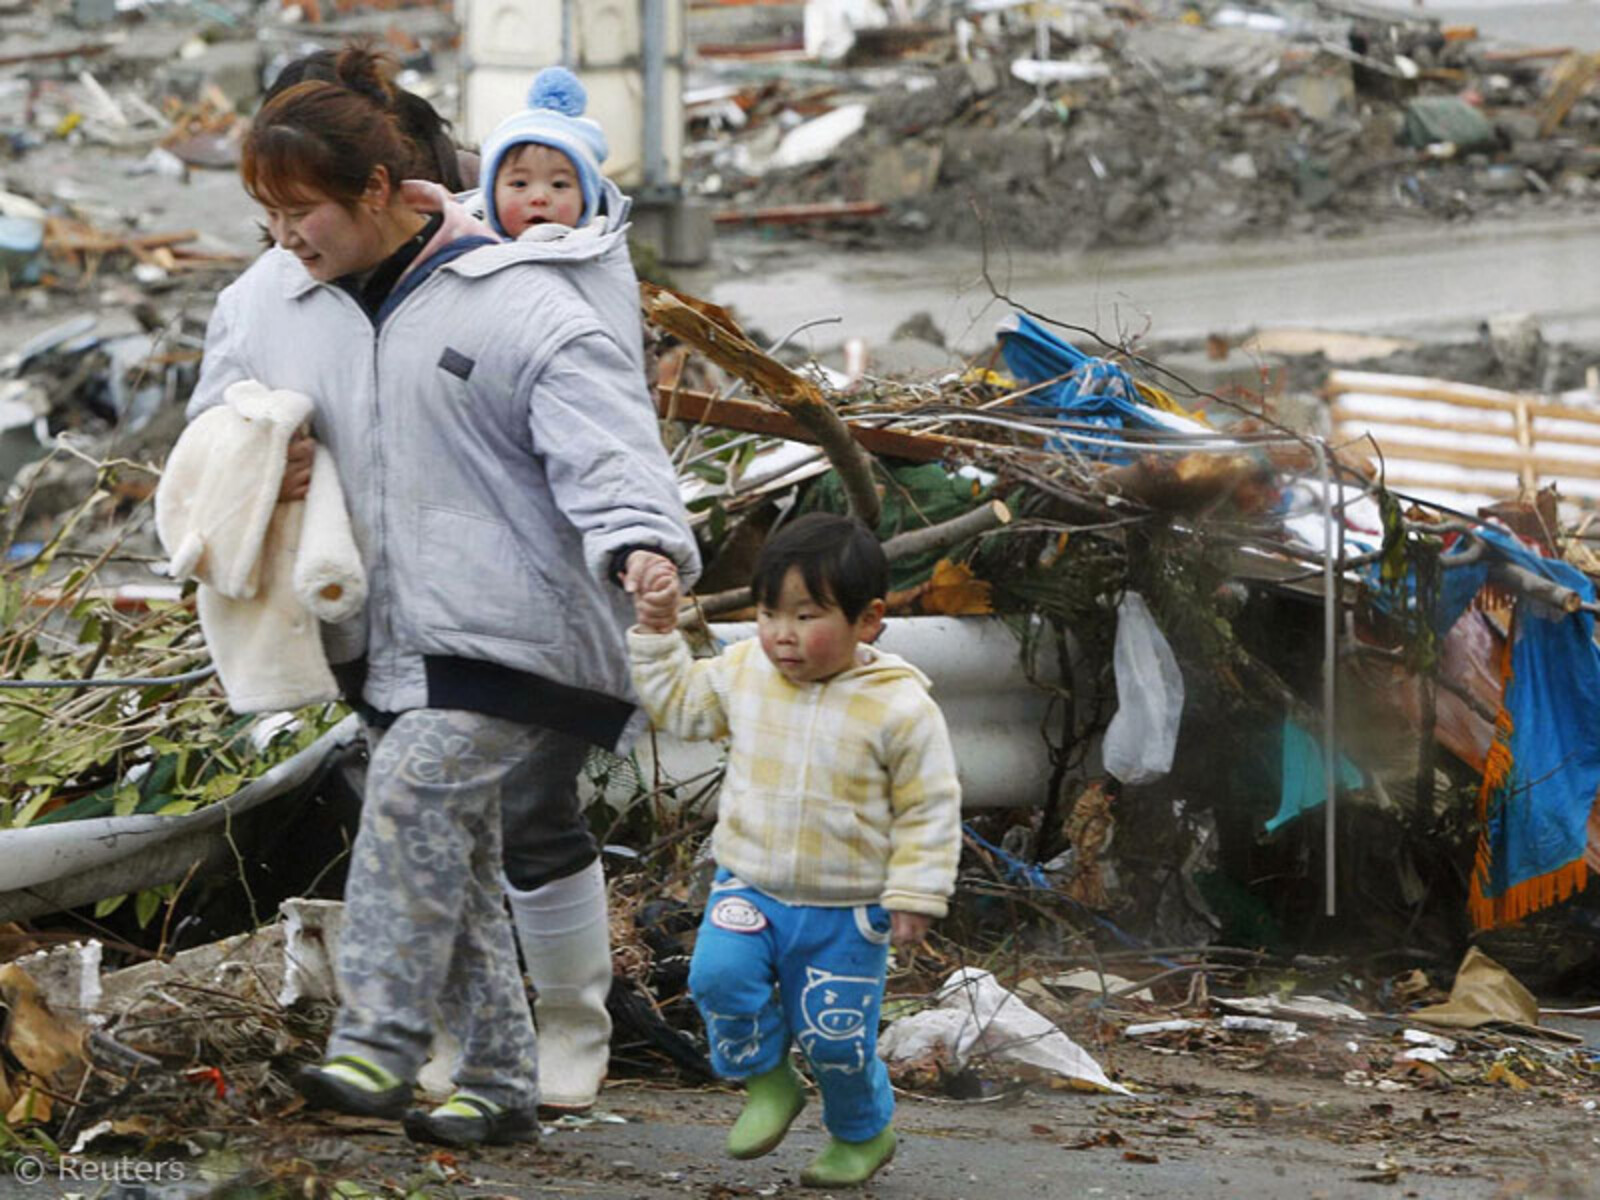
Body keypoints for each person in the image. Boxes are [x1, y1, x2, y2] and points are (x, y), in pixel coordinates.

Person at [188, 46, 699, 1147]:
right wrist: (249, 466)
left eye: (302, 208)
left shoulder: (517, 299)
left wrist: (643, 545)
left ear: (376, 191)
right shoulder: (267, 302)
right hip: (379, 636)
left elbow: (609, 448)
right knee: (459, 862)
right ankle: (502, 1084)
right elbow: (209, 432)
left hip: (526, 631)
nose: (285, 235)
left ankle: (375, 1042)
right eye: (267, 212)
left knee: (413, 797)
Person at [626, 513, 962, 1188]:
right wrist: (658, 632)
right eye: (768, 612)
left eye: (807, 615)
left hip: (848, 908)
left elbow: (929, 805)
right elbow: (683, 707)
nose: (782, 633)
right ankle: (768, 1079)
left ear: (868, 621)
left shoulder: (899, 708)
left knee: (837, 1040)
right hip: (748, 884)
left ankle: (862, 1132)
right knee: (717, 979)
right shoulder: (747, 670)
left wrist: (916, 893)